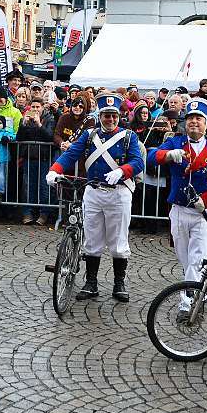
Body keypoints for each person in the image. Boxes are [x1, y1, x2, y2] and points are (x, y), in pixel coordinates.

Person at [46, 93, 145, 303]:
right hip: (93, 191)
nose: (110, 119)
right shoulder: (90, 135)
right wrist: (54, 170)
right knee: (92, 239)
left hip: (119, 193)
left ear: (119, 116)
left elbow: (138, 161)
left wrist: (123, 171)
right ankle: (91, 283)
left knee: (118, 241)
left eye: (113, 116)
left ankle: (119, 283)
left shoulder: (129, 137)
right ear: (100, 116)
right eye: (106, 115)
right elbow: (71, 154)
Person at [147, 98, 207, 317]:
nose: (194, 122)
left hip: (204, 212)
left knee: (197, 258)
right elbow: (150, 156)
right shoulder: (176, 142)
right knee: (184, 258)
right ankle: (199, 290)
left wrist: (206, 198)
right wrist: (167, 155)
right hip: (179, 208)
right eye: (190, 118)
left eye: (199, 119)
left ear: (206, 123)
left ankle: (187, 304)